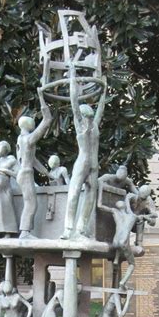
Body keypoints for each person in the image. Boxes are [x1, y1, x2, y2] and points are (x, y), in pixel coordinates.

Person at [62, 63, 106, 239]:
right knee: (73, 195)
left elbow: (101, 108)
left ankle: (81, 229)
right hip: (82, 163)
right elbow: (74, 101)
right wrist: (72, 78)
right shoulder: (80, 125)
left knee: (90, 197)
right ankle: (68, 228)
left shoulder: (94, 125)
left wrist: (104, 92)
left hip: (93, 166)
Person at [16, 88, 52, 238]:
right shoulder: (28, 139)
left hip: (24, 172)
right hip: (25, 173)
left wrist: (47, 173)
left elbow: (34, 161)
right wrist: (42, 98)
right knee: (31, 203)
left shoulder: (21, 140)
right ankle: (25, 232)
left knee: (30, 202)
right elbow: (47, 121)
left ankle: (25, 232)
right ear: (27, 125)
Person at [98, 197, 138, 289]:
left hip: (115, 242)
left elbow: (99, 206)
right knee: (132, 264)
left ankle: (116, 258)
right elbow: (133, 212)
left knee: (119, 246)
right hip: (123, 242)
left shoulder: (115, 212)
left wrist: (100, 189)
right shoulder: (132, 216)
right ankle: (122, 282)